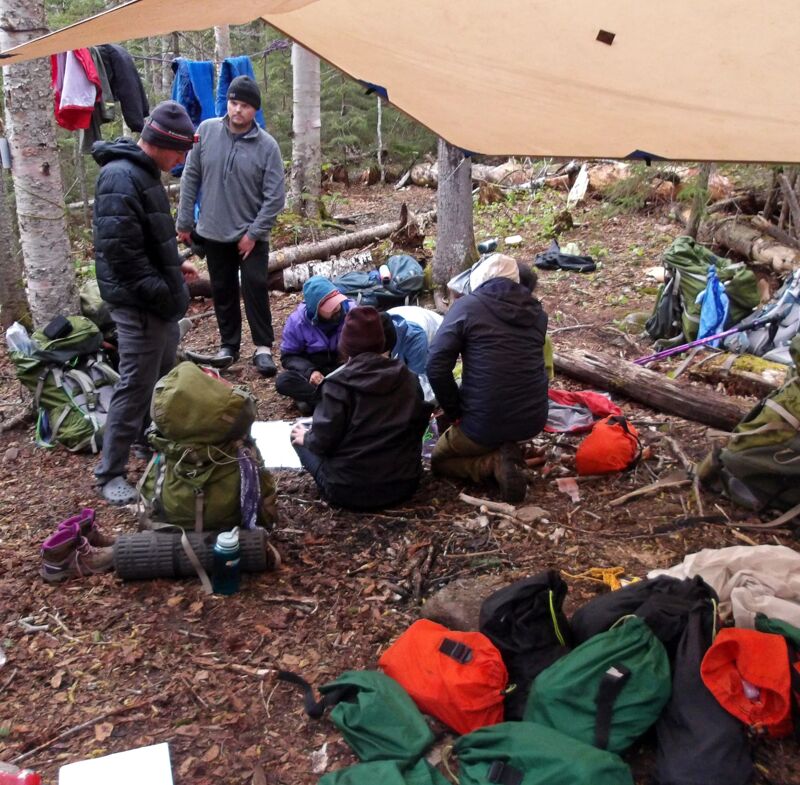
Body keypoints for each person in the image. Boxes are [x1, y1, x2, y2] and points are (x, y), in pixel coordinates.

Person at [92, 100, 199, 505]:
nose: (182, 158)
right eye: (180, 150)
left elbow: (147, 241)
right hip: (140, 304)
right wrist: (167, 290)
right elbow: (124, 258)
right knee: (135, 384)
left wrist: (175, 268)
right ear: (160, 142)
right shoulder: (120, 177)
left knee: (161, 374)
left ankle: (144, 441)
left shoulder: (144, 174)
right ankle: (109, 472)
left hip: (157, 299)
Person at [176, 75, 285, 376]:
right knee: (222, 290)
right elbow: (190, 176)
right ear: (228, 103)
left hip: (251, 235)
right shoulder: (206, 131)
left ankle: (263, 347)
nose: (238, 110)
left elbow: (275, 197)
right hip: (212, 230)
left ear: (255, 110)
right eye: (234, 103)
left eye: (246, 106)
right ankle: (229, 346)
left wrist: (254, 234)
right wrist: (185, 221)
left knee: (255, 286)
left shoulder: (267, 146)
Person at [426, 253, 549, 503]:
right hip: (533, 419)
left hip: (484, 422)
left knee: (439, 461)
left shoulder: (468, 306)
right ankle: (505, 446)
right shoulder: (537, 313)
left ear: (479, 281)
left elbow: (436, 365)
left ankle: (490, 463)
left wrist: (455, 411)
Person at [290, 306, 431, 510]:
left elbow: (323, 441)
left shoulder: (336, 386)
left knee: (296, 435)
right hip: (405, 484)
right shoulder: (409, 379)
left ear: (345, 346)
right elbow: (418, 427)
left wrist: (308, 437)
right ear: (383, 342)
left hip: (347, 490)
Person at [276, 276, 355, 414]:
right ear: (315, 309)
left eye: (337, 302)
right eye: (330, 306)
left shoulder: (353, 313)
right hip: (318, 374)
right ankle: (333, 401)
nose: (337, 308)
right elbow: (288, 357)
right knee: (284, 381)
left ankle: (320, 403)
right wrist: (310, 371)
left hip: (346, 368)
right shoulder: (297, 322)